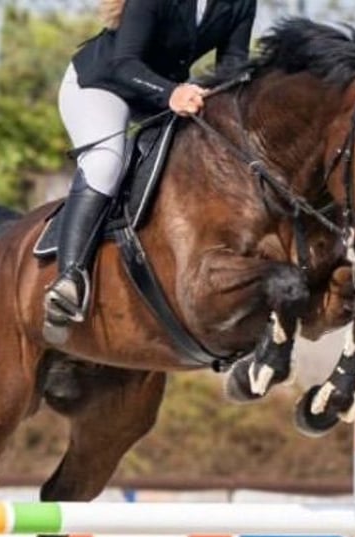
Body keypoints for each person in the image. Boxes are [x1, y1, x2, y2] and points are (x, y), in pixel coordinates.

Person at [44, 0, 258, 327]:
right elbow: (123, 63)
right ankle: (69, 278)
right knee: (106, 162)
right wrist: (172, 92)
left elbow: (232, 67)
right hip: (102, 84)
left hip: (161, 96)